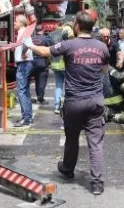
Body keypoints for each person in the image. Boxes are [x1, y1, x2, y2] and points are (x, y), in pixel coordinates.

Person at [24, 11, 110, 195]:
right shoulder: (102, 47)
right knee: (95, 143)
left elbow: (46, 51)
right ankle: (97, 184)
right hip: (95, 101)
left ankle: (68, 169)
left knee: (72, 139)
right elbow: (104, 71)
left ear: (77, 26)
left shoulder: (69, 45)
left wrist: (28, 44)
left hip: (74, 101)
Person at [12, 14, 35, 127]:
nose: (14, 23)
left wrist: (22, 53)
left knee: (21, 91)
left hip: (24, 64)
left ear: (21, 23)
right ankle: (28, 117)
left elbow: (26, 44)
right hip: (26, 63)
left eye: (15, 21)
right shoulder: (24, 31)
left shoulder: (23, 32)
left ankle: (25, 118)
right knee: (25, 91)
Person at [49, 22, 71, 115]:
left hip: (54, 64)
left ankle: (57, 107)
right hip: (64, 64)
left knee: (58, 85)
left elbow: (49, 49)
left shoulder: (51, 34)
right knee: (68, 85)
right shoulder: (65, 34)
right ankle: (67, 106)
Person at [30, 25, 52, 104]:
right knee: (41, 80)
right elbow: (50, 50)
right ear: (43, 30)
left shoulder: (31, 39)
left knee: (36, 80)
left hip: (32, 62)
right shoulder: (46, 39)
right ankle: (40, 97)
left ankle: (37, 96)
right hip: (42, 62)